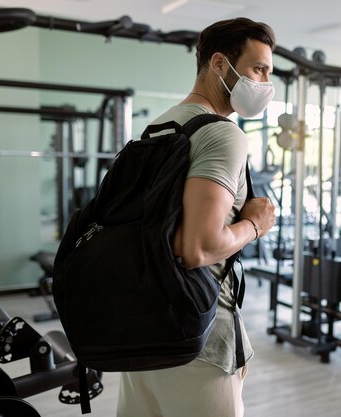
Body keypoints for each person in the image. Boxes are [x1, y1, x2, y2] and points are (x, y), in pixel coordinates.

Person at [116, 17, 276, 417]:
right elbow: (198, 247)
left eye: (269, 72)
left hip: (143, 326)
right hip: (197, 338)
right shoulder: (222, 134)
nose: (265, 82)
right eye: (259, 68)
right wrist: (255, 224)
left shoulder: (159, 126)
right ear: (219, 64)